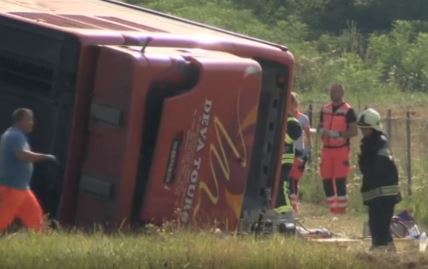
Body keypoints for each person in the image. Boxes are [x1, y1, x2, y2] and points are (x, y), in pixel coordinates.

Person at [0, 108, 57, 232]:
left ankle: (41, 243)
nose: (32, 123)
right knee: (2, 221)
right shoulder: (14, 136)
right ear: (19, 120)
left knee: (37, 222)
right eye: (29, 119)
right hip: (12, 188)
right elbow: (22, 155)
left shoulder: (18, 136)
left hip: (22, 189)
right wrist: (45, 157)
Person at [357, 108, 401, 252]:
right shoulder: (370, 143)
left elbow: (380, 167)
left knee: (380, 221)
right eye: (362, 129)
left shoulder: (379, 142)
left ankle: (382, 249)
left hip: (384, 192)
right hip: (376, 192)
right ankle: (383, 246)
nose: (363, 131)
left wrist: (371, 179)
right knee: (375, 221)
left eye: (365, 128)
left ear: (373, 128)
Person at [318, 84, 357, 214]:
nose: (334, 93)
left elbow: (354, 131)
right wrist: (321, 131)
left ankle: (341, 209)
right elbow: (320, 126)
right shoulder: (325, 109)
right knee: (326, 179)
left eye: (337, 91)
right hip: (326, 149)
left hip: (341, 149)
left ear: (342, 93)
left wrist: (338, 134)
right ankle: (332, 208)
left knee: (340, 179)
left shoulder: (348, 110)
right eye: (332, 91)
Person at [288, 92, 312, 213]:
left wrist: (308, 152)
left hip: (299, 152)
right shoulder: (285, 118)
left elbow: (308, 137)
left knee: (295, 179)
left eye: (291, 102)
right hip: (287, 152)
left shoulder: (303, 118)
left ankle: (294, 204)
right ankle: (292, 204)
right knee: (288, 179)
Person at [275, 112, 302, 215]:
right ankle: (280, 209)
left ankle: (285, 212)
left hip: (285, 159)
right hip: (280, 158)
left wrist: (283, 140)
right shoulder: (282, 118)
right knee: (279, 184)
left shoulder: (290, 120)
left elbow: (296, 131)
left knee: (282, 184)